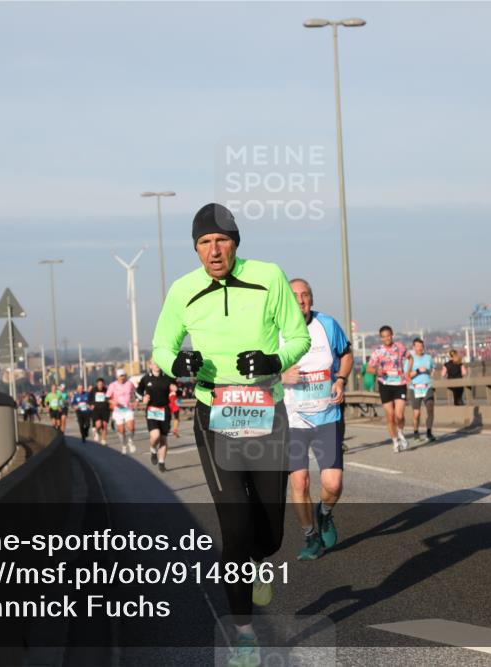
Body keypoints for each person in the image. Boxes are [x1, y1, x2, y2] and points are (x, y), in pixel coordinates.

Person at [152, 203, 310, 667]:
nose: (213, 250)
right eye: (204, 242)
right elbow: (162, 344)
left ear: (235, 243)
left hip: (266, 411)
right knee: (235, 529)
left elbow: (296, 336)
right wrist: (175, 364)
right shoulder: (183, 289)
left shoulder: (268, 277)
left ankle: (259, 562)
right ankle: (243, 633)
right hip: (212, 412)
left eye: (221, 240)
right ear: (196, 248)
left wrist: (273, 361)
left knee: (272, 533)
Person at [281, 278, 352, 562]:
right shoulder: (274, 331)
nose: (300, 300)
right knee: (300, 483)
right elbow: (256, 374)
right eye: (295, 295)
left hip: (327, 416)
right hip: (292, 420)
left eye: (306, 295)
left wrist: (341, 379)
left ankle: (324, 515)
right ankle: (310, 536)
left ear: (312, 298)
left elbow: (346, 355)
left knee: (333, 485)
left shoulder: (328, 325)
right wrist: (281, 377)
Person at [367, 326, 410, 452]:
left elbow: (410, 358)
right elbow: (369, 368)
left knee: (400, 415)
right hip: (385, 385)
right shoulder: (377, 352)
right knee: (390, 416)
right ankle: (395, 441)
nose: (386, 338)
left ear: (392, 335)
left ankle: (401, 433)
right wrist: (377, 371)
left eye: (388, 335)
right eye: (384, 336)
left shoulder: (400, 347)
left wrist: (407, 372)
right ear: (381, 338)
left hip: (400, 384)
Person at [137, 361, 176, 472]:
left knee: (163, 439)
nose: (157, 365)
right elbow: (138, 391)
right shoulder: (146, 379)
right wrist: (142, 398)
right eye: (154, 363)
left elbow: (178, 391)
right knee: (155, 435)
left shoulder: (168, 378)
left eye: (159, 363)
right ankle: (153, 449)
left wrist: (176, 390)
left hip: (165, 410)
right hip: (152, 410)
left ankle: (162, 462)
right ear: (150, 365)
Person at [407, 338, 437, 444]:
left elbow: (434, 367)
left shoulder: (428, 358)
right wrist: (418, 371)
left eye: (421, 346)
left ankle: (429, 432)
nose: (420, 348)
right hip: (415, 388)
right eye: (418, 346)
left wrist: (432, 374)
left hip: (427, 387)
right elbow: (407, 375)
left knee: (430, 408)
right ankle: (416, 432)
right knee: (416, 413)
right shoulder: (410, 359)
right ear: (413, 347)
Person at [106, 369, 138, 454]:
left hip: (128, 409)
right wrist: (113, 402)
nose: (122, 378)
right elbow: (107, 398)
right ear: (117, 377)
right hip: (118, 410)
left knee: (131, 427)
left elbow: (135, 393)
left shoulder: (129, 384)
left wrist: (136, 401)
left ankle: (130, 441)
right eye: (120, 376)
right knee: (121, 430)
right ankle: (124, 445)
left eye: (123, 375)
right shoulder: (112, 385)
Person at [89, 378, 111, 446]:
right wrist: (91, 404)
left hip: (105, 410)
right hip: (96, 410)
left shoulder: (106, 390)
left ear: (103, 384)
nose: (100, 386)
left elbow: (110, 398)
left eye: (101, 384)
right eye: (99, 384)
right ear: (97, 384)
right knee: (98, 425)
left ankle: (103, 440)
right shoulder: (93, 390)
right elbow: (89, 399)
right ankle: (97, 432)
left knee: (104, 425)